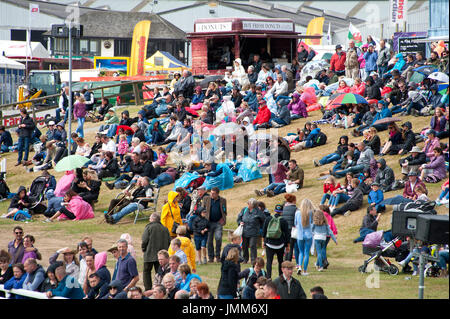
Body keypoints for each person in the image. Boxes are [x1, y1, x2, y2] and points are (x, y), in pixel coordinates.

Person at [141, 213, 171, 291]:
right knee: (160, 273)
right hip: (162, 256)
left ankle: (148, 289)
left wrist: (143, 249)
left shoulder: (148, 227)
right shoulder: (165, 229)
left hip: (149, 254)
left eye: (150, 218)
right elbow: (169, 241)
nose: (149, 220)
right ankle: (159, 289)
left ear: (152, 219)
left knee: (146, 272)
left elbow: (144, 240)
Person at [262, 204, 290, 279]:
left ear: (275, 211)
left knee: (269, 261)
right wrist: (287, 245)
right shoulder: (283, 221)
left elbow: (264, 232)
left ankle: (268, 277)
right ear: (282, 212)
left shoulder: (268, 219)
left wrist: (264, 242)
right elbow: (287, 234)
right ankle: (281, 277)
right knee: (280, 261)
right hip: (280, 244)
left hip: (269, 243)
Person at [201, 187, 227, 263]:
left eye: (213, 193)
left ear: (217, 194)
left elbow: (224, 211)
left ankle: (218, 256)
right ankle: (211, 257)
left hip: (218, 223)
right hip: (208, 222)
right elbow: (202, 210)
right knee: (209, 241)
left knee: (218, 238)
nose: (211, 194)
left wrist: (223, 219)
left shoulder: (223, 200)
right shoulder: (206, 199)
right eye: (211, 193)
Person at [237, 198, 267, 264]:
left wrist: (259, 227)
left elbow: (264, 220)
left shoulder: (258, 212)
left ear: (253, 205)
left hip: (254, 232)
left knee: (252, 245)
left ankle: (253, 260)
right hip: (244, 231)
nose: (247, 204)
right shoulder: (244, 210)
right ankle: (245, 259)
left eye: (249, 203)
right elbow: (239, 218)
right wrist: (240, 222)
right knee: (244, 246)